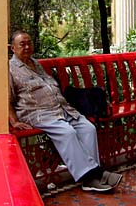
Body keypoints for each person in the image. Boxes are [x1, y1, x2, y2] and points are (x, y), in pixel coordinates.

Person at [9, 30, 123, 192]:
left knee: (88, 128)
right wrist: (14, 121)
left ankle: (90, 178)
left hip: (61, 109)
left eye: (29, 43)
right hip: (37, 113)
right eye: (22, 44)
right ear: (12, 48)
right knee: (68, 132)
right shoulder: (10, 69)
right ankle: (95, 175)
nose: (27, 47)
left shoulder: (35, 63)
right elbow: (6, 98)